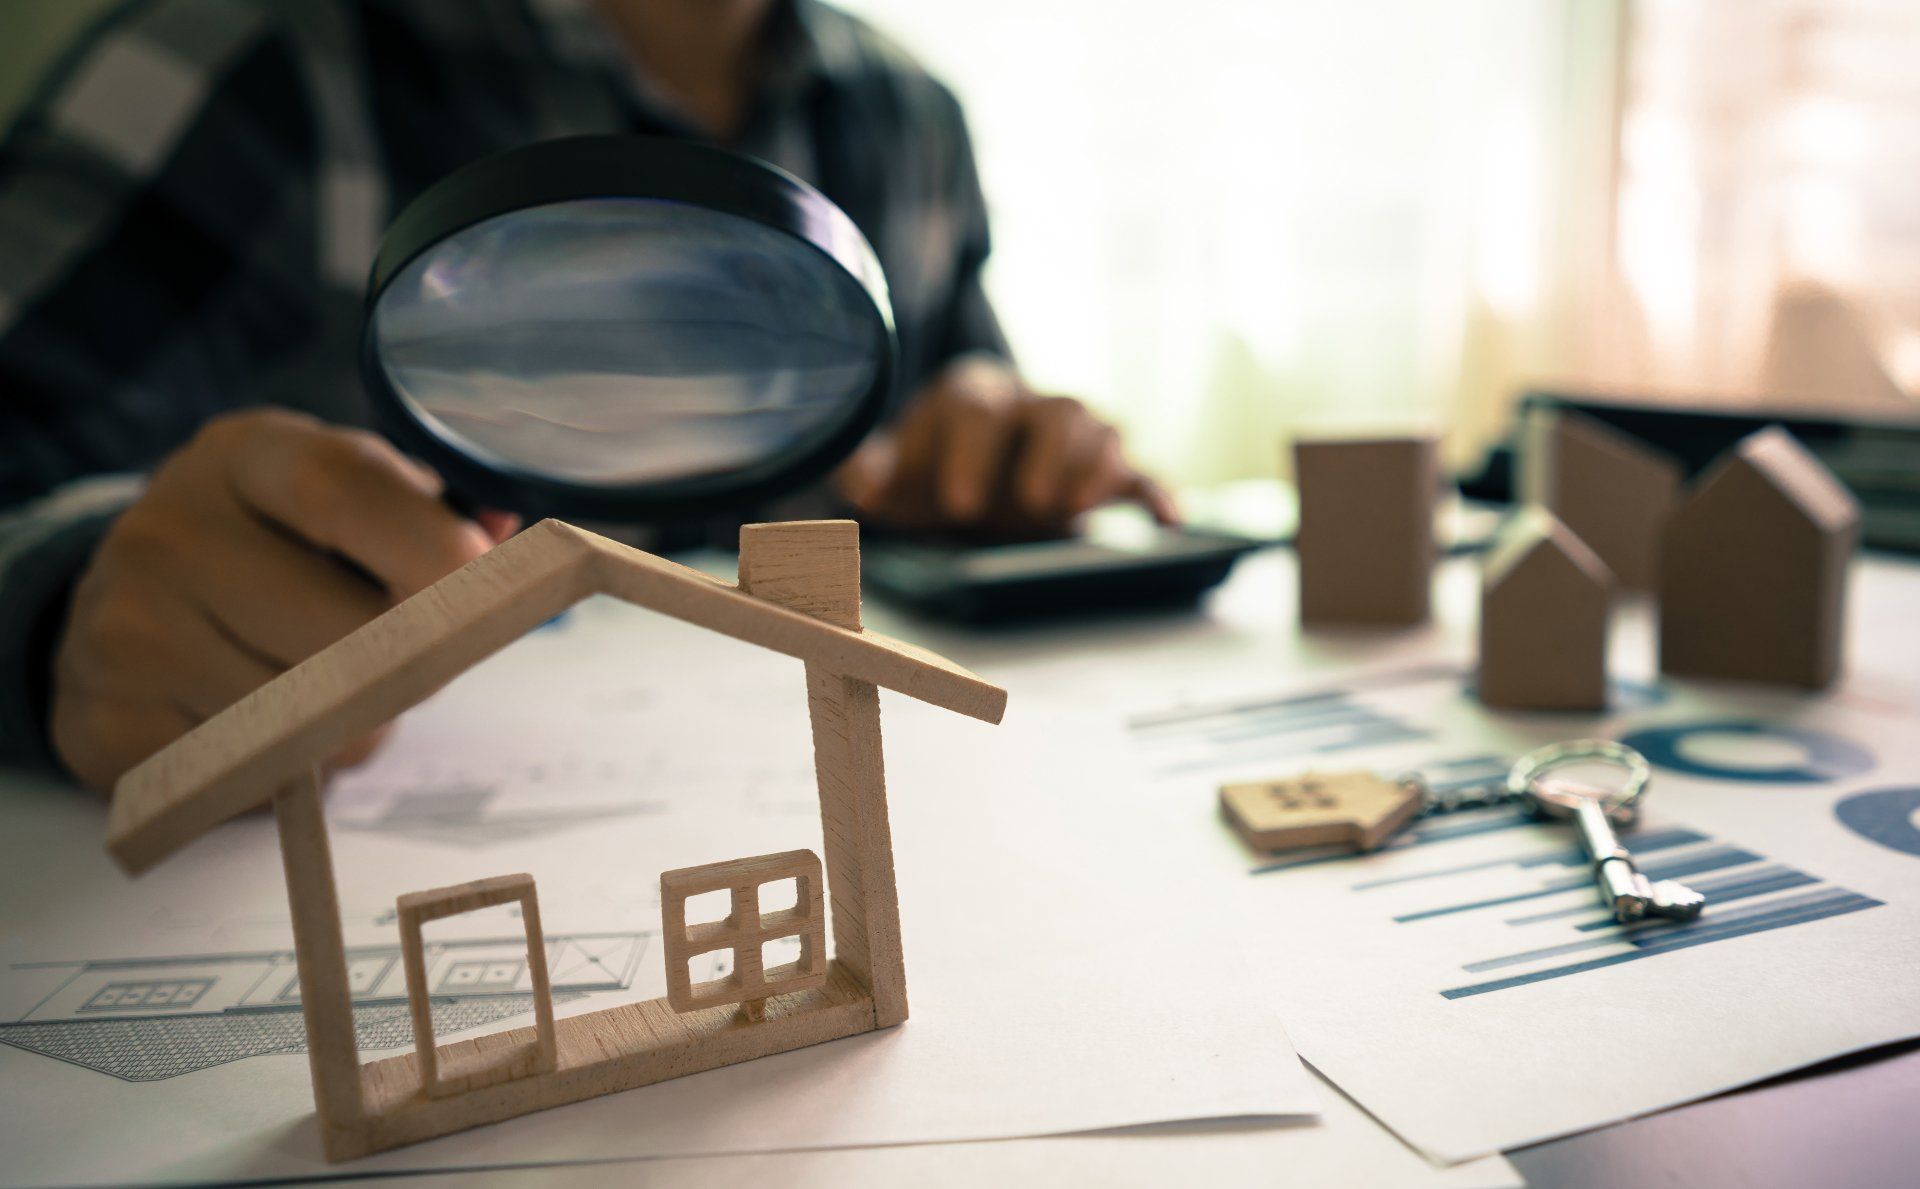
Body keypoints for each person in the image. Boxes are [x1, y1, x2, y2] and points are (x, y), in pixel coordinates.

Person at [0, 0, 1174, 791]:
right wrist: (66, 615)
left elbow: (924, 440)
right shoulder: (242, 56)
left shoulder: (907, 113)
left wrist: (998, 461)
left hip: (770, 787)